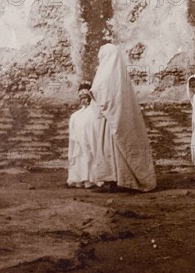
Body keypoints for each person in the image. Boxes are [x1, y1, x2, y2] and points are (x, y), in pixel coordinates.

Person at [90, 43, 157, 192]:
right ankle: (115, 180)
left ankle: (118, 180)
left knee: (111, 149)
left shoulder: (107, 75)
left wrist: (95, 94)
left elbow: (103, 95)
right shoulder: (120, 76)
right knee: (112, 149)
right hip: (112, 119)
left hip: (110, 120)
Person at [67, 81, 96, 188]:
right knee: (80, 159)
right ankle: (79, 179)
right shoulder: (76, 115)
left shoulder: (94, 113)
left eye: (86, 98)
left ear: (90, 98)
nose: (83, 100)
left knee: (89, 158)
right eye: (81, 98)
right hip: (79, 142)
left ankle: (90, 179)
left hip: (90, 141)